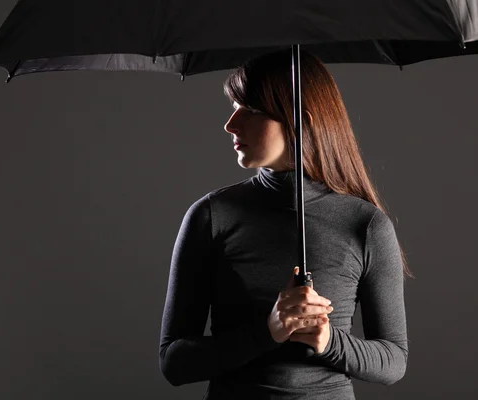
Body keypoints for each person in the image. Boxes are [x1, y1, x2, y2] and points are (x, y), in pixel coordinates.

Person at [159, 48, 412, 400]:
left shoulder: (366, 224)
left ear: (299, 120)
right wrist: (268, 332)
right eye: (234, 108)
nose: (230, 124)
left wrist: (328, 340)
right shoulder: (211, 216)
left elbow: (393, 360)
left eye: (250, 110)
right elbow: (174, 361)